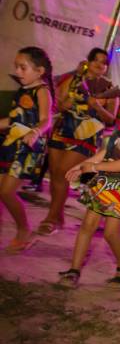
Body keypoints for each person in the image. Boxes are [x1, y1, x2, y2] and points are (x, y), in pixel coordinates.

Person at [57, 82, 120, 289]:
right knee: (87, 225)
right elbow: (106, 151)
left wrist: (94, 167)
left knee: (110, 233)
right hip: (103, 179)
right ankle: (74, 270)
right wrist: (82, 165)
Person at [39, 48, 120, 235]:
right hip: (63, 129)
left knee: (63, 173)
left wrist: (97, 106)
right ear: (88, 61)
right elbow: (59, 104)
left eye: (104, 62)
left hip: (87, 134)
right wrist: (65, 104)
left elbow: (111, 119)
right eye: (96, 60)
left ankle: (51, 219)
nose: (99, 64)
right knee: (55, 175)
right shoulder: (74, 79)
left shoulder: (110, 89)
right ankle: (58, 215)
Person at [0, 47, 53, 253]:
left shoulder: (42, 91)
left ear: (39, 71)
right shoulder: (22, 90)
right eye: (16, 67)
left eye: (23, 67)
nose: (18, 71)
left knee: (6, 192)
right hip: (11, 143)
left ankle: (24, 230)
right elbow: (14, 119)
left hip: (28, 148)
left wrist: (35, 132)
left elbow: (46, 120)